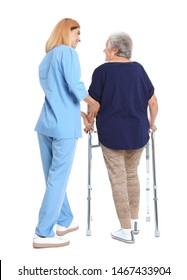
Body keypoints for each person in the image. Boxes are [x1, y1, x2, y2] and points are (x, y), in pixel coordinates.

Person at [33, 18, 100, 249]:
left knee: (53, 179)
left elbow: (58, 92)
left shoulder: (47, 57)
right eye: (77, 33)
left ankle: (63, 220)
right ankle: (42, 234)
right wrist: (93, 103)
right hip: (63, 129)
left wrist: (78, 113)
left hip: (46, 125)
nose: (79, 38)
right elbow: (75, 85)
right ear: (66, 31)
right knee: (57, 179)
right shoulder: (68, 53)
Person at [87, 32, 158, 244]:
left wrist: (89, 122)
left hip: (113, 135)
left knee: (119, 178)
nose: (103, 51)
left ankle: (125, 229)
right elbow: (153, 102)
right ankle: (134, 222)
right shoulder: (139, 69)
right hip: (138, 134)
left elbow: (94, 104)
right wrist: (152, 123)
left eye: (106, 47)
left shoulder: (102, 71)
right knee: (131, 175)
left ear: (115, 49)